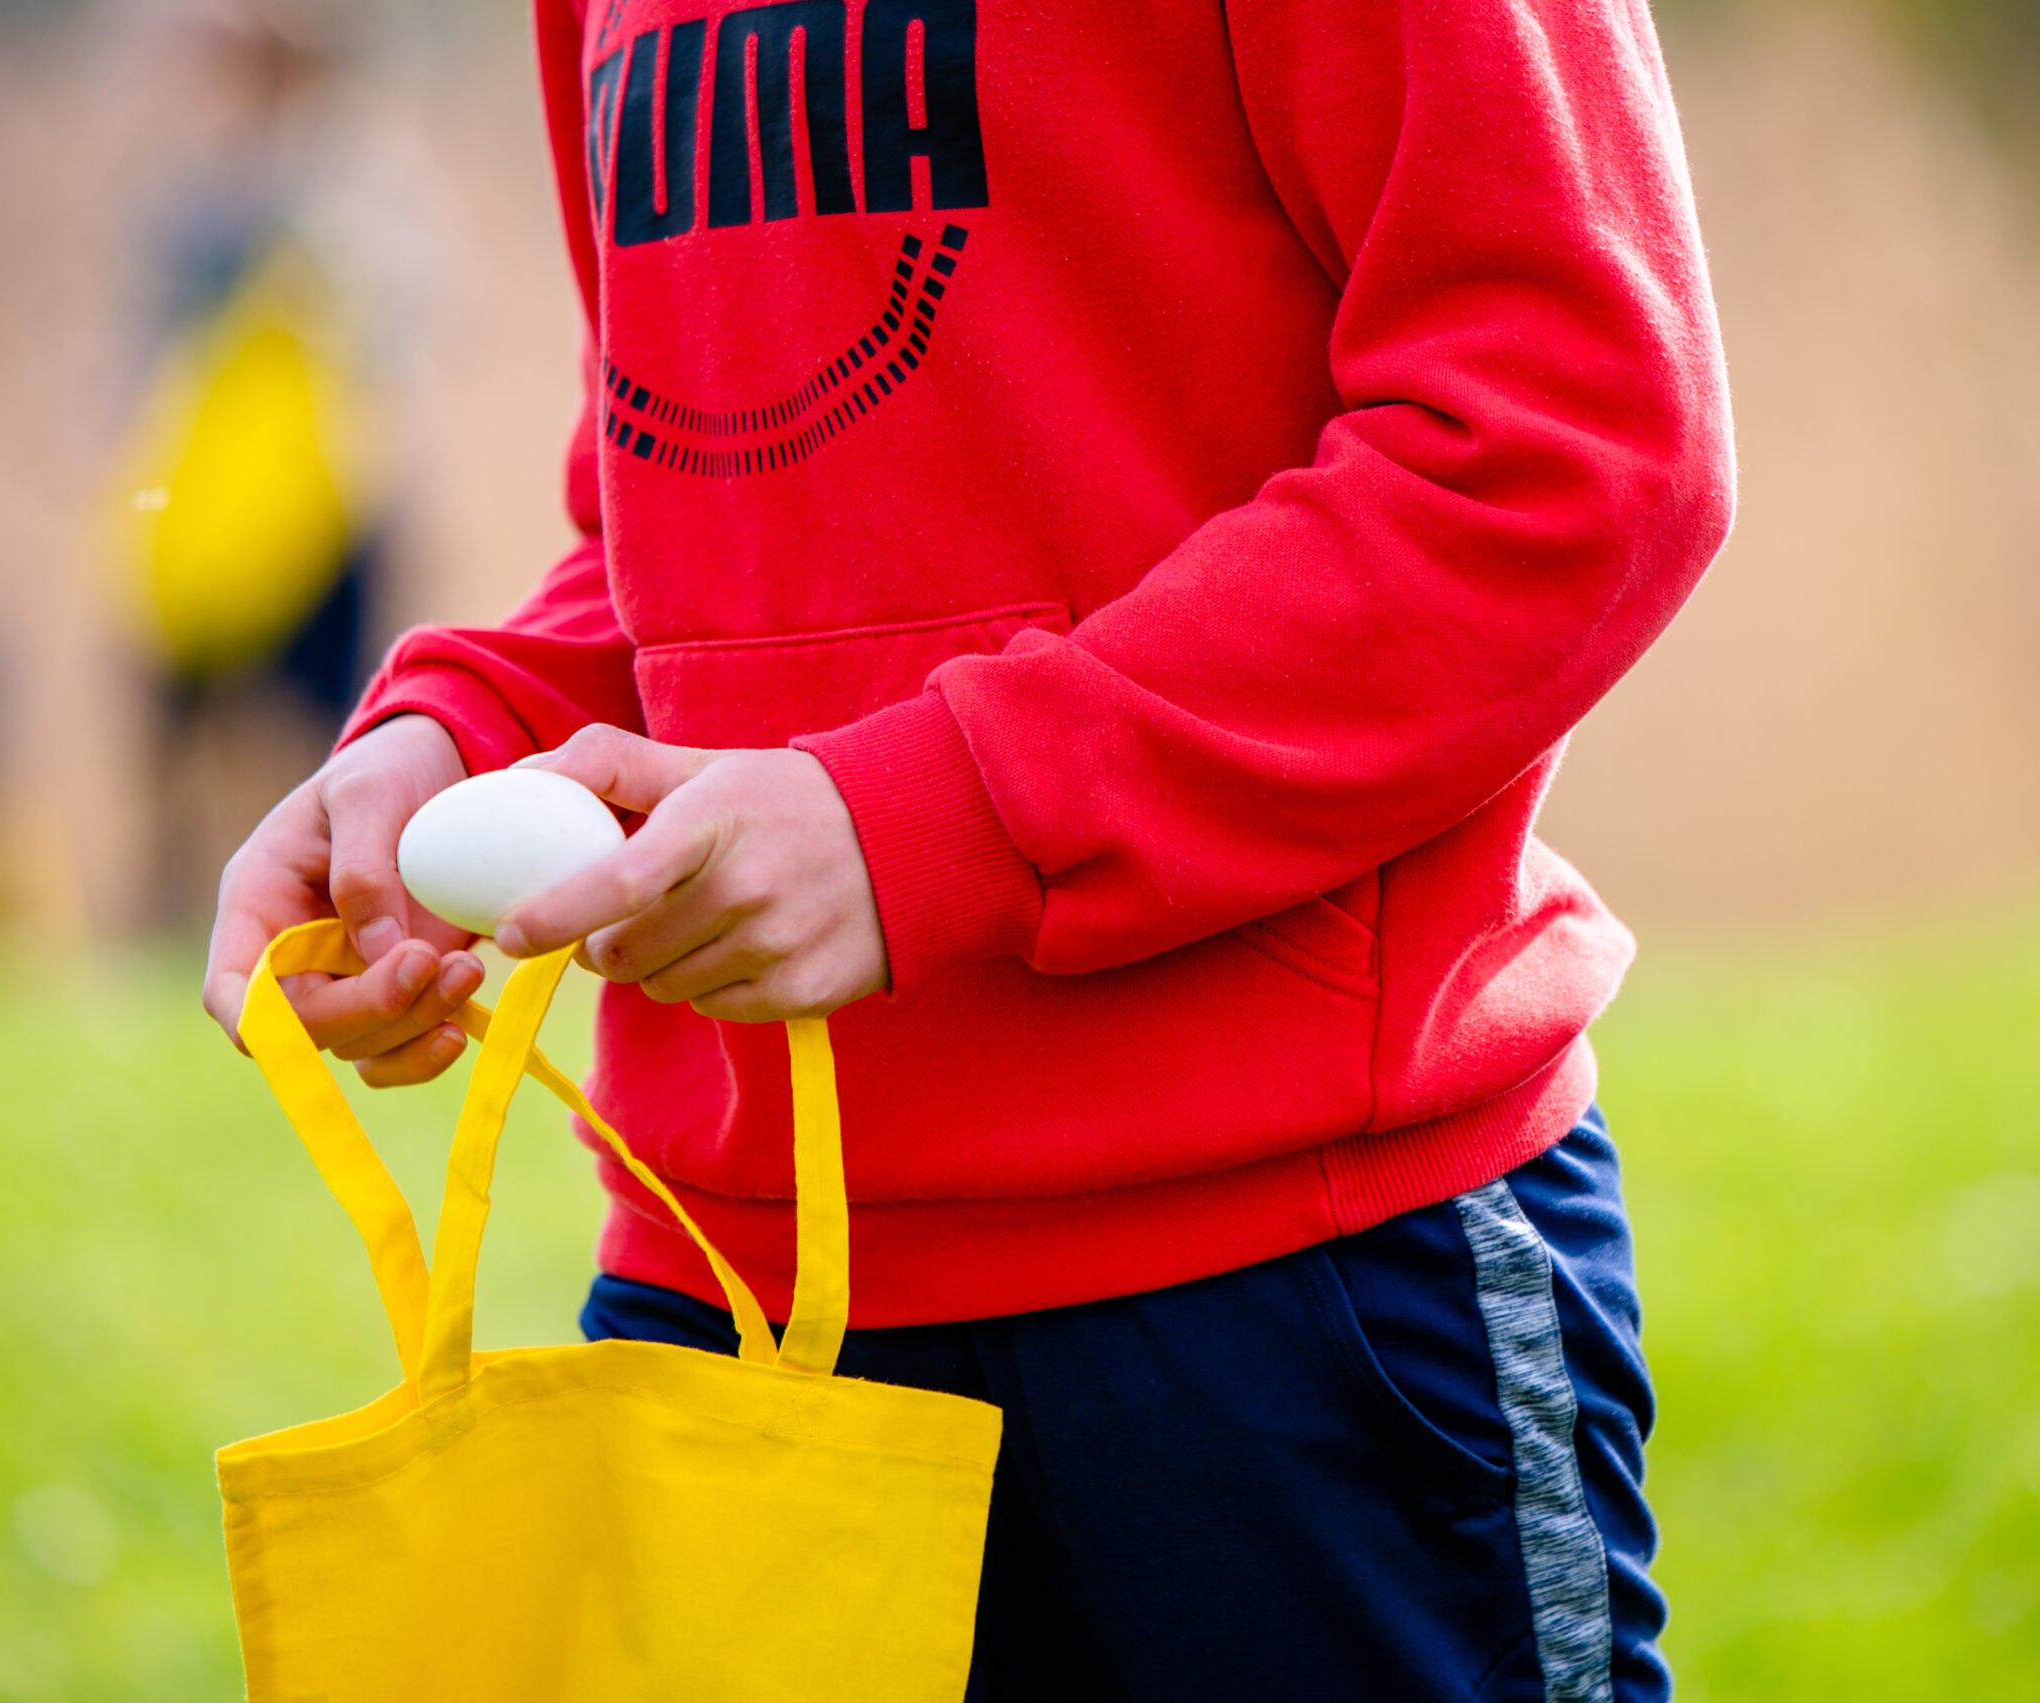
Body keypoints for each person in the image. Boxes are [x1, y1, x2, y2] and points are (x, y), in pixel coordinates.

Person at [203, 0, 1731, 1694]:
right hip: (739, 1293)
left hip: (1296, 1285)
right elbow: (687, 514)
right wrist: (461, 738)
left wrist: (939, 818)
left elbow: (1570, 441)